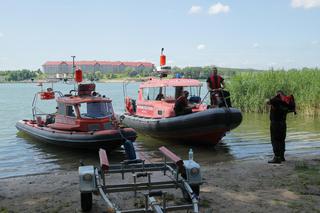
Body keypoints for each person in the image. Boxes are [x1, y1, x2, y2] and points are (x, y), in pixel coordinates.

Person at [267, 90, 296, 164]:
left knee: (275, 140)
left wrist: (271, 99)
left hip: (275, 124)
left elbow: (268, 102)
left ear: (278, 95)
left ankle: (276, 157)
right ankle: (282, 157)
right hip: (283, 124)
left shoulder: (276, 101)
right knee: (282, 140)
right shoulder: (286, 103)